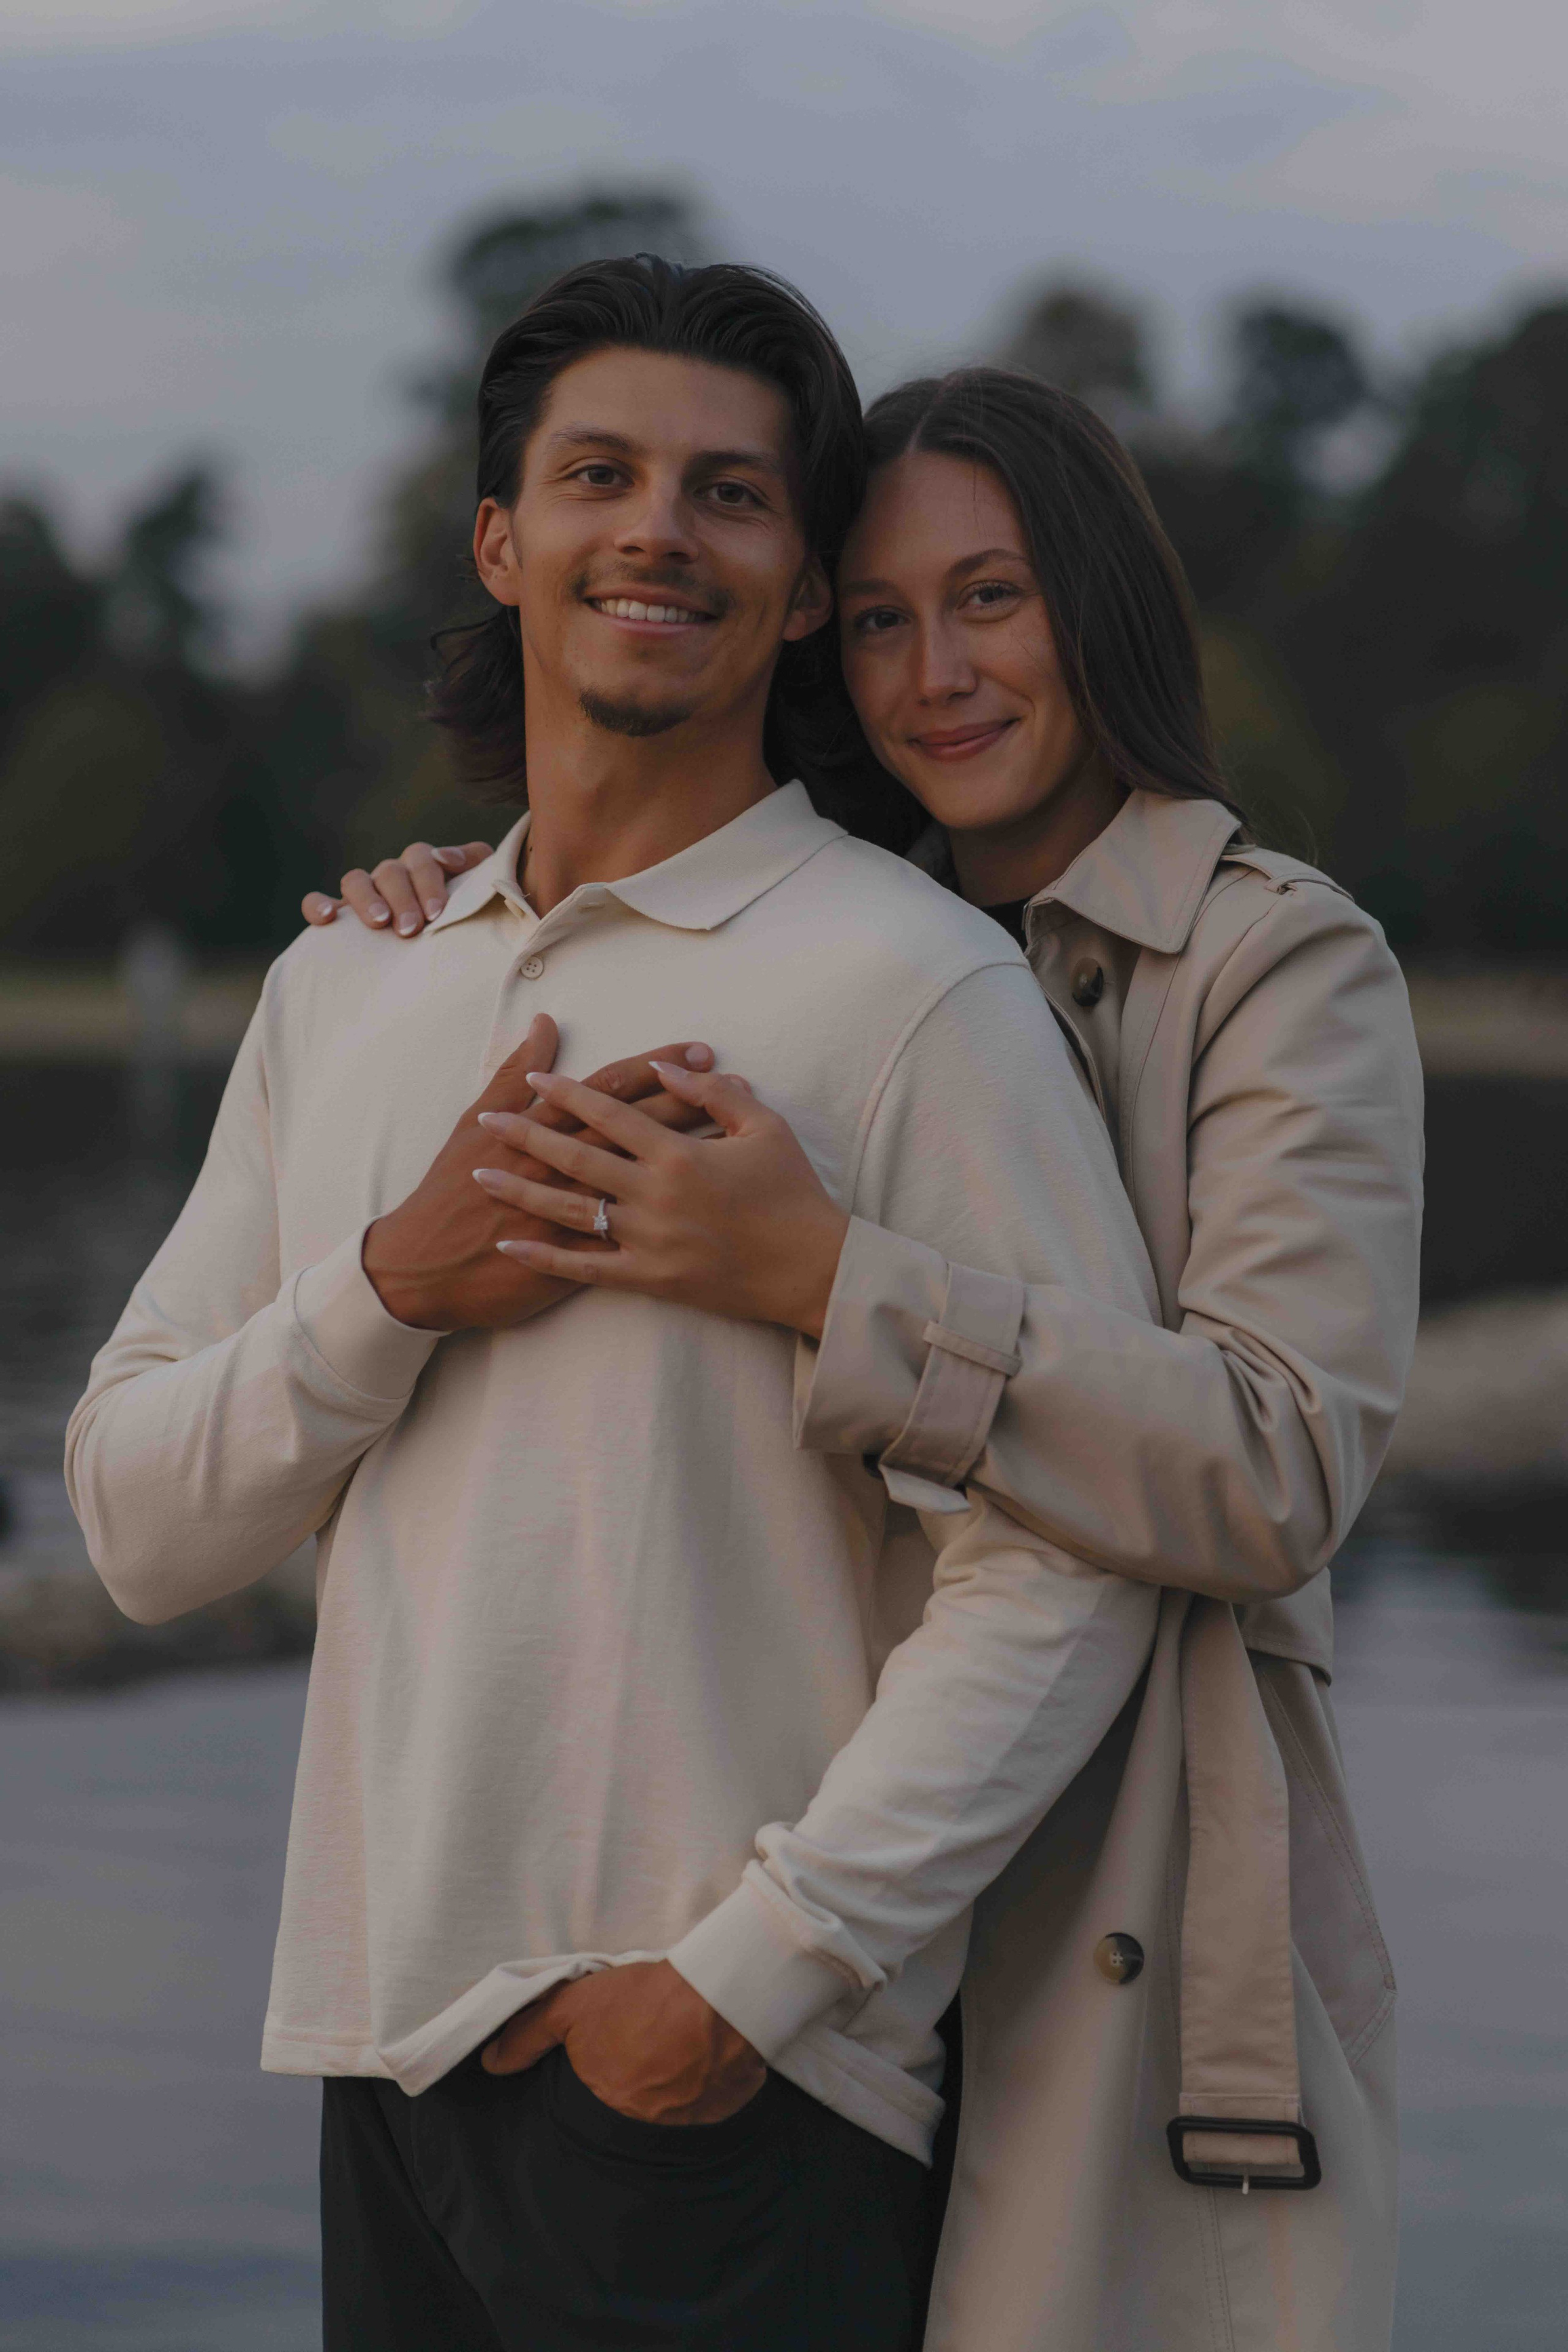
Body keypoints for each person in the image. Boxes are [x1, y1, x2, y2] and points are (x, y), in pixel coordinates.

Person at [67, 263, 1170, 2352]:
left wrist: (742, 1987)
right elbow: (134, 1526)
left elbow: (1064, 1566)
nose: (658, 528)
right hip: (376, 2045)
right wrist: (396, 1288)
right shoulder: (348, 986)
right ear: (503, 542)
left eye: (731, 494)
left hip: (728, 2101)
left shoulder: (909, 989)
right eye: (600, 474)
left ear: (792, 574)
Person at [317, 364, 1425, 2351]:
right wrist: (453, 916)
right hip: (833, 1918)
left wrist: (835, 1277)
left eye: (992, 600)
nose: (940, 673)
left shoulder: (1279, 960)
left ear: (1098, 609)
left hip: (1112, 1901)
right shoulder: (858, 944)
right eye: (890, 613)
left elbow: (1277, 1464)